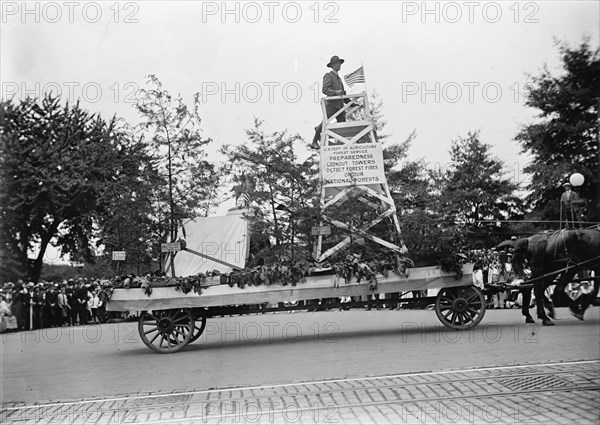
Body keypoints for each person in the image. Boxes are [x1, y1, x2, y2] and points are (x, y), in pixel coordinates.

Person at [311, 55, 348, 149]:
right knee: (325, 123)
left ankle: (343, 148)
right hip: (332, 105)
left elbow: (343, 94)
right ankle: (314, 141)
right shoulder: (328, 75)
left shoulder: (339, 79)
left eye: (339, 63)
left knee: (344, 126)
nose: (339, 65)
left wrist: (352, 102)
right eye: (336, 63)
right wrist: (335, 92)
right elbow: (325, 89)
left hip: (340, 106)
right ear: (332, 65)